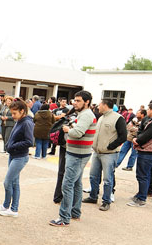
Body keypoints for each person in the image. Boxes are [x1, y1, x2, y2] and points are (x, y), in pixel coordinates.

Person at [50, 91, 97, 226]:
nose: (74, 103)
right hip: (79, 153)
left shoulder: (86, 115)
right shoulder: (84, 114)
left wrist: (67, 129)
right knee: (76, 184)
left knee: (67, 184)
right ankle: (75, 212)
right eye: (74, 100)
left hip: (77, 154)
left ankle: (64, 218)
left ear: (86, 102)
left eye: (78, 101)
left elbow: (77, 133)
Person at [0, 100, 33, 217]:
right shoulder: (19, 121)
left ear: (22, 111)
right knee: (14, 183)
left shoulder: (27, 123)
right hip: (14, 155)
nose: (13, 116)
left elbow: (30, 141)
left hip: (20, 157)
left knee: (8, 182)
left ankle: (10, 207)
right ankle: (10, 207)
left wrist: (12, 146)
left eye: (15, 113)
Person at [84, 99, 127, 211]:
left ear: (105, 105)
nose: (98, 106)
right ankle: (93, 196)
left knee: (108, 179)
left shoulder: (118, 118)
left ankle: (106, 201)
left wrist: (110, 146)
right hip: (97, 152)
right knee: (93, 176)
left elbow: (123, 136)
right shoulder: (101, 117)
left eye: (100, 104)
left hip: (109, 154)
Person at [127, 102, 152, 207]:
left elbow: (144, 137)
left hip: (148, 152)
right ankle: (140, 195)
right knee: (145, 175)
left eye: (148, 109)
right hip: (149, 152)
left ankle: (141, 199)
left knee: (143, 175)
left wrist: (136, 140)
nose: (147, 111)